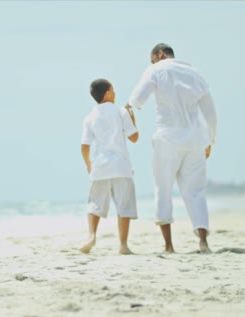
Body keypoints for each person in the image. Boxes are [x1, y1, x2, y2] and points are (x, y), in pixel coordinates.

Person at [128, 43, 217, 254]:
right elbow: (210, 112)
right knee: (196, 192)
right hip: (195, 139)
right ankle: (203, 242)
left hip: (167, 139)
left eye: (152, 59)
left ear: (159, 54)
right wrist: (210, 141)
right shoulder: (195, 73)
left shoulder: (156, 69)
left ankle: (169, 246)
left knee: (163, 189)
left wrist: (129, 110)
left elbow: (137, 99)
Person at [80, 79, 139, 255]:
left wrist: (88, 164)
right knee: (124, 207)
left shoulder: (89, 117)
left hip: (100, 166)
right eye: (113, 90)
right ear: (106, 93)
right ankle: (123, 245)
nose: (115, 93)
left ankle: (91, 236)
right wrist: (133, 118)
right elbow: (134, 137)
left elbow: (84, 145)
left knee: (95, 204)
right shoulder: (121, 111)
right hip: (121, 166)